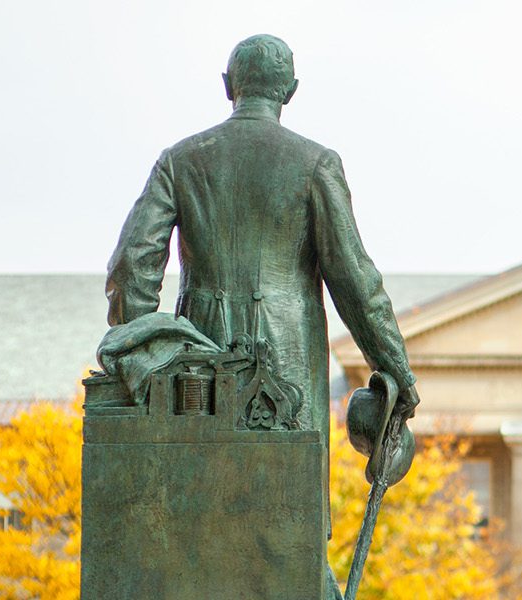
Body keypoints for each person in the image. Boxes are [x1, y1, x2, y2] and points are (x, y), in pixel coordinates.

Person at [103, 33, 417, 597]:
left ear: (228, 87)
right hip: (287, 366)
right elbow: (355, 281)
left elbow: (132, 266)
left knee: (198, 521)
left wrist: (143, 354)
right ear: (290, 91)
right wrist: (396, 368)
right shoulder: (316, 163)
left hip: (196, 368)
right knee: (288, 526)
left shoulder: (181, 159)